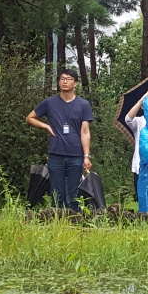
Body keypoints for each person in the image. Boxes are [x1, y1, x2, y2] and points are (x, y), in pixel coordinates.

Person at [27, 69, 93, 211]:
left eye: (68, 79)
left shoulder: (83, 104)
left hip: (76, 154)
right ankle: (56, 223)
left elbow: (85, 131)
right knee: (57, 193)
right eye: (62, 78)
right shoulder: (50, 102)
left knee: (74, 193)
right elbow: (30, 117)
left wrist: (86, 156)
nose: (64, 81)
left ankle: (75, 221)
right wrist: (45, 126)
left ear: (75, 83)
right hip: (56, 154)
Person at [124, 90, 148, 203]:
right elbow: (128, 119)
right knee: (141, 196)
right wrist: (142, 98)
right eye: (147, 102)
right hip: (141, 164)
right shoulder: (139, 121)